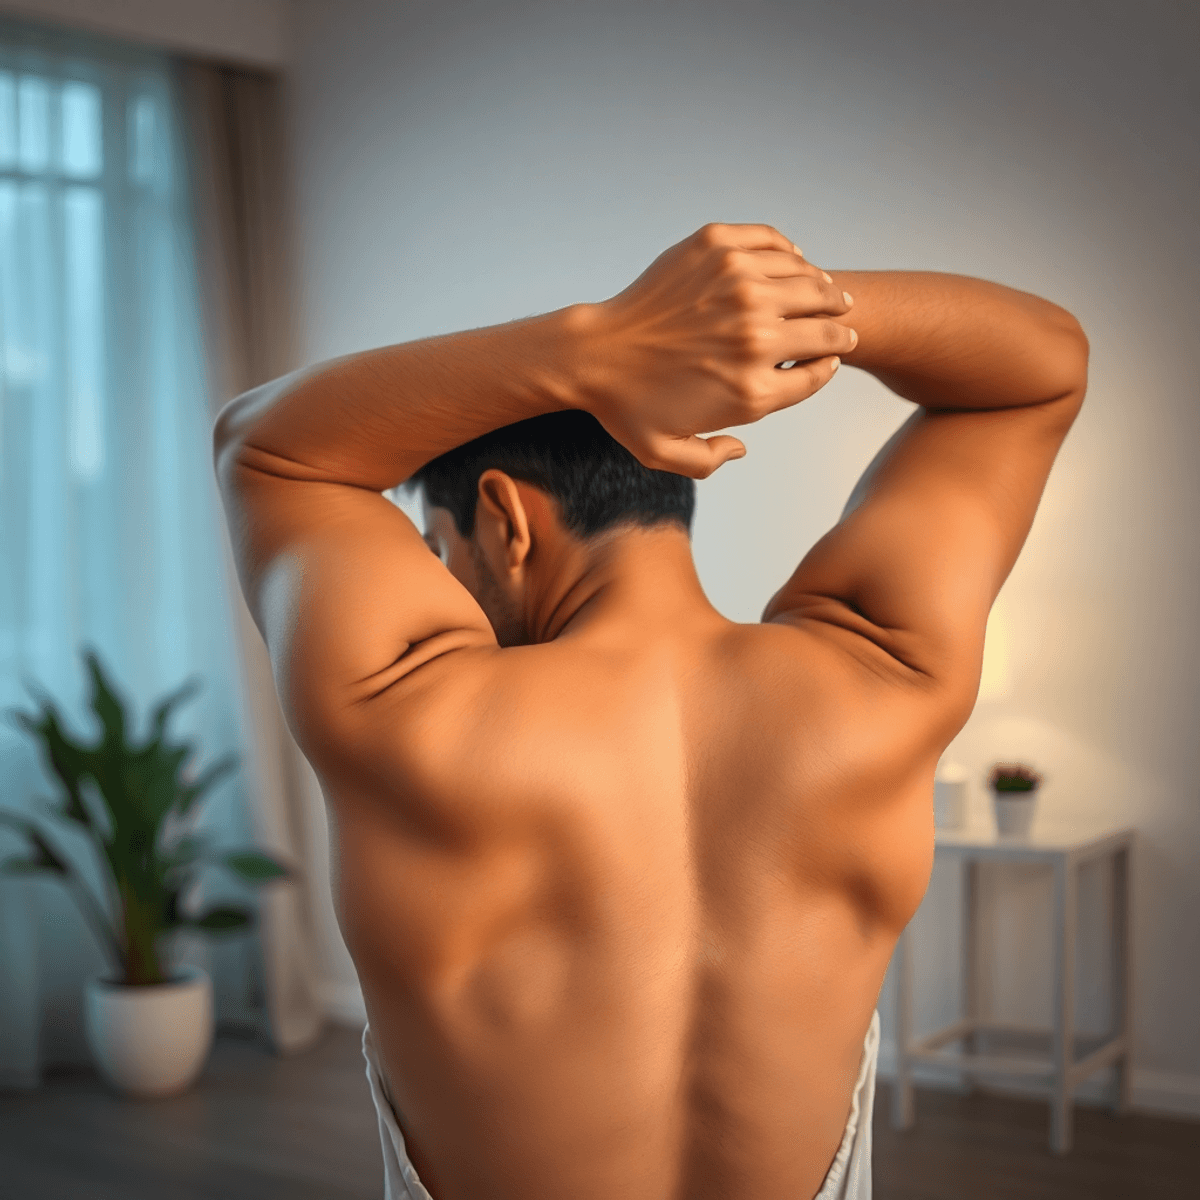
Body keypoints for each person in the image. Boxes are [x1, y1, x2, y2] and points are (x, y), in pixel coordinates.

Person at [213, 222, 1088, 1200]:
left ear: (501, 519)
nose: (439, 579)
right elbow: (1041, 366)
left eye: (438, 547)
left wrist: (592, 346)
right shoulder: (879, 674)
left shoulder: (413, 707)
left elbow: (266, 448)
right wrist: (759, 312)